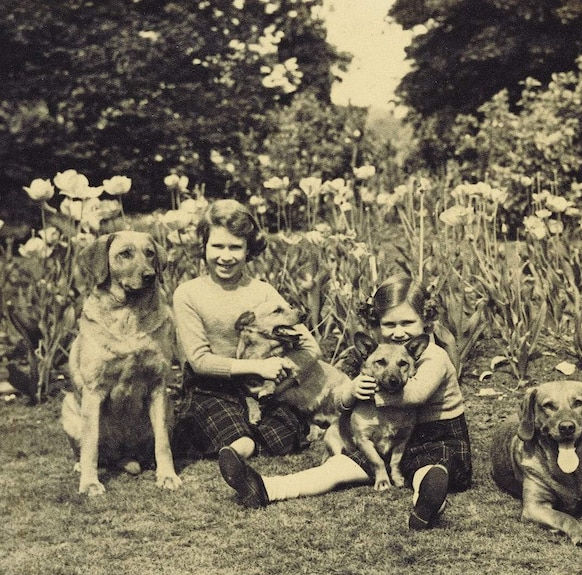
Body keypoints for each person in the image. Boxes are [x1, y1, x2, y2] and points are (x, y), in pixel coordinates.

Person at [218, 274, 473, 529]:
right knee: (339, 467)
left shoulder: (432, 356)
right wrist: (351, 391)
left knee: (427, 470)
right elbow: (342, 402)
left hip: (436, 438)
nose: (398, 332)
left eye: (407, 322)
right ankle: (268, 488)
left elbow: (416, 395)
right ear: (377, 325)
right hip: (389, 441)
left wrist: (371, 391)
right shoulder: (378, 355)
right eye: (389, 324)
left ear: (425, 322)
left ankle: (427, 501)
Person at [172, 199, 321, 461]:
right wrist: (257, 368)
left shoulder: (263, 292)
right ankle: (236, 453)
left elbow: (310, 348)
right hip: (210, 386)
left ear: (248, 249)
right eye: (217, 246)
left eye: (235, 247)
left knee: (280, 432)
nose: (225, 256)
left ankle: (238, 444)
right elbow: (198, 361)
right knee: (232, 427)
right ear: (204, 246)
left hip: (258, 387)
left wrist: (281, 377)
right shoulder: (189, 293)